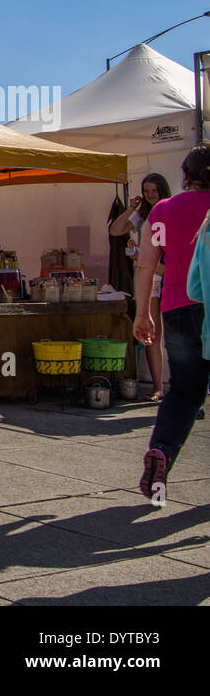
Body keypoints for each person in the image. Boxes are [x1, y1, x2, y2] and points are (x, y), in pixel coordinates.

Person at [134, 147, 210, 503]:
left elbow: (146, 266)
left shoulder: (163, 210)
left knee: (184, 390)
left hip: (177, 306)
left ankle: (162, 450)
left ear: (185, 175)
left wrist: (142, 313)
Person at [110, 172, 172, 401]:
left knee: (175, 333)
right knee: (152, 333)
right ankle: (158, 387)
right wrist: (131, 208)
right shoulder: (143, 215)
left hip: (169, 273)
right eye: (146, 191)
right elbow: (115, 230)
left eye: (154, 190)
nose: (150, 195)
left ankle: (173, 385)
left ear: (162, 190)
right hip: (151, 278)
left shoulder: (168, 211)